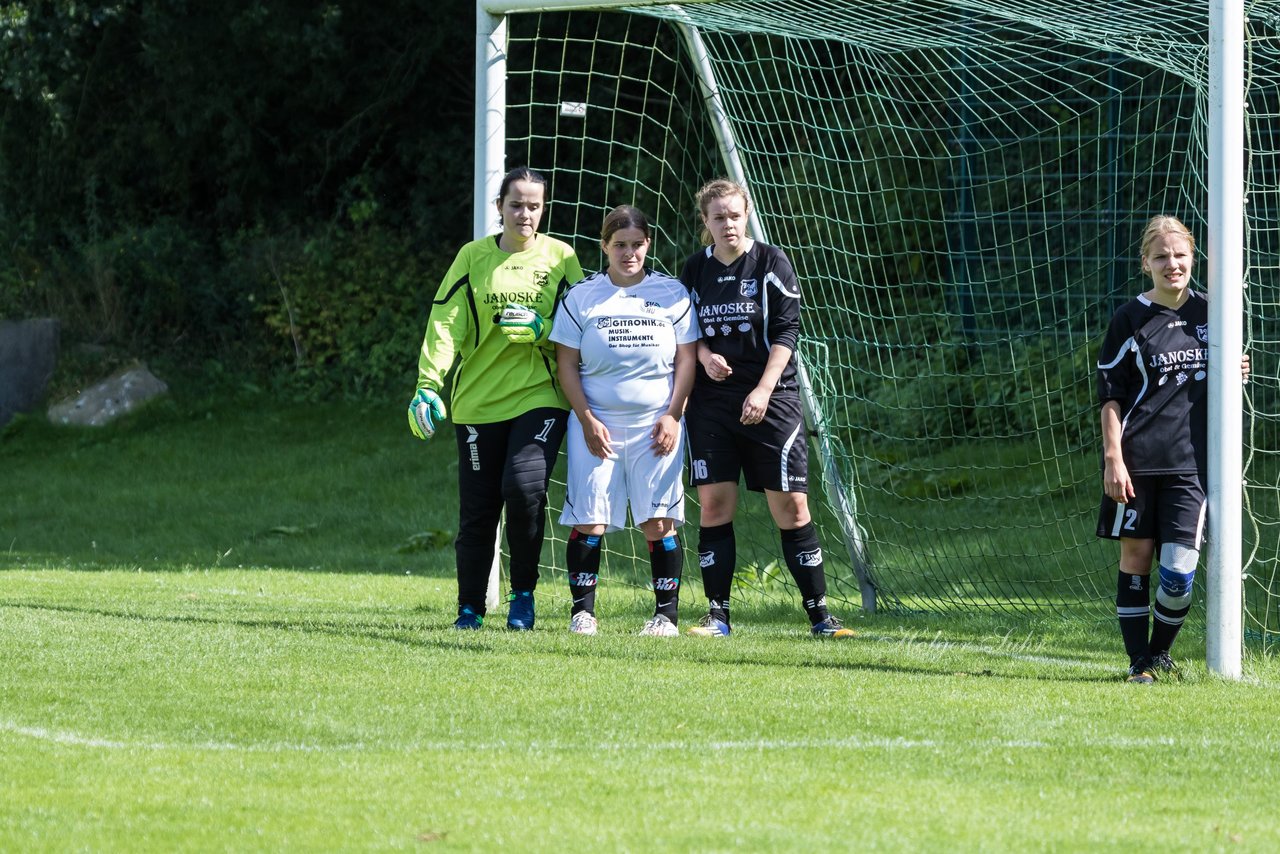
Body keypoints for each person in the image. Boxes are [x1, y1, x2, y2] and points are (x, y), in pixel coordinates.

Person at [408, 166, 583, 630]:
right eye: (516, 204)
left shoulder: (562, 257)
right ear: (500, 207)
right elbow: (446, 322)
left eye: (534, 206)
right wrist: (429, 384)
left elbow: (582, 327)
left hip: (540, 397)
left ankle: (522, 596)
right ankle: (469, 609)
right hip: (477, 404)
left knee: (524, 489)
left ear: (543, 209)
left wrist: (543, 329)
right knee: (479, 511)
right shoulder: (472, 257)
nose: (525, 214)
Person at [679, 178, 854, 638]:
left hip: (772, 399)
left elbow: (787, 333)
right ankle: (717, 616)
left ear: (747, 214)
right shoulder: (694, 269)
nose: (728, 224)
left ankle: (820, 616)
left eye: (734, 215)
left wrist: (762, 389)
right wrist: (703, 357)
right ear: (706, 222)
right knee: (715, 505)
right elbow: (684, 332)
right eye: (718, 217)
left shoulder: (772, 262)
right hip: (711, 405)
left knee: (792, 508)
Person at [1097, 215, 1248, 682]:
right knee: (1136, 560)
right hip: (1137, 461)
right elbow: (1110, 395)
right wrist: (1113, 458)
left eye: (1179, 255)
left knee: (1179, 574)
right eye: (1161, 257)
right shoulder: (1129, 318)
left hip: (1192, 466)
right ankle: (1140, 663)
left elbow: (1226, 373)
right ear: (1146, 263)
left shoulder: (1213, 312)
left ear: (1192, 257)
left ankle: (1159, 653)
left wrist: (1236, 369)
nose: (1172, 264)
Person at [550, 205, 698, 636]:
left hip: (659, 425)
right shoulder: (582, 296)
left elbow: (687, 360)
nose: (628, 253)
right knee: (590, 518)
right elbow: (566, 365)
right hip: (595, 426)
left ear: (648, 245)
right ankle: (583, 614)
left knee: (658, 521)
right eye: (619, 245)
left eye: (636, 245)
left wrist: (673, 415)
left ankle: (665, 617)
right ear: (604, 246)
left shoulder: (672, 293)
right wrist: (587, 419)